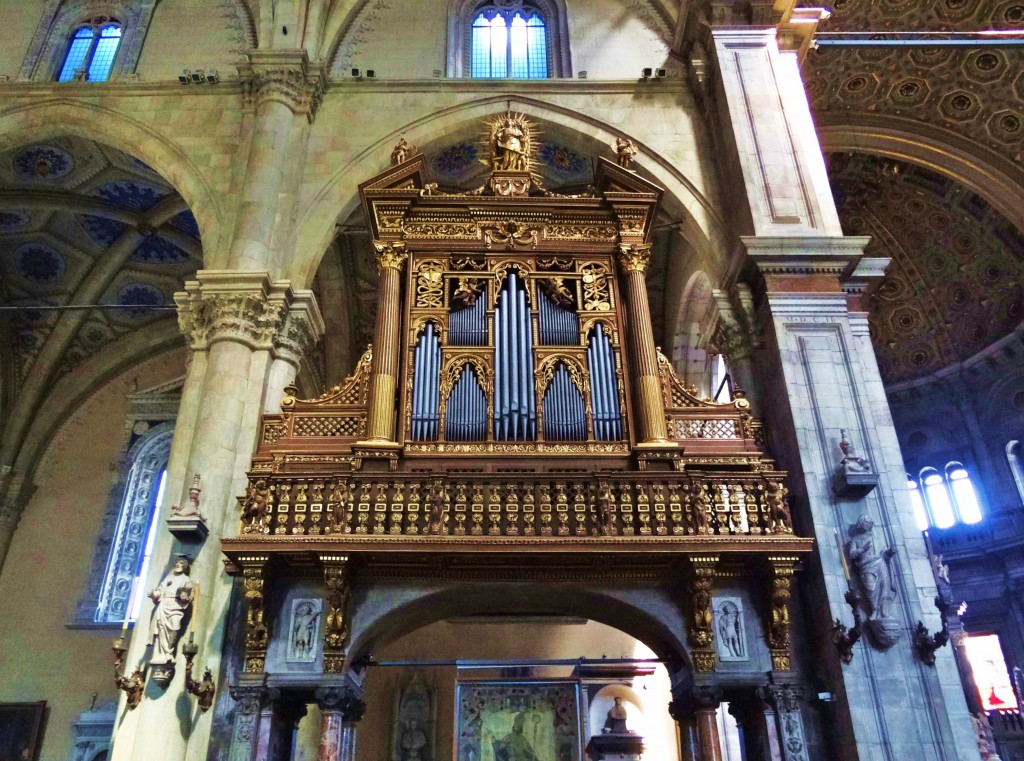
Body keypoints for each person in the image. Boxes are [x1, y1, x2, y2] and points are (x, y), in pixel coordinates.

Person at [847, 515, 897, 620]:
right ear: (860, 524)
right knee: (870, 588)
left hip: (879, 562)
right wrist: (862, 549)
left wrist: (890, 552)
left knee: (884, 586)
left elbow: (883, 551)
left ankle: (884, 611)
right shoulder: (855, 540)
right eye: (865, 522)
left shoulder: (875, 537)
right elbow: (851, 555)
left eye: (869, 523)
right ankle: (874, 609)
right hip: (866, 566)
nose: (868, 525)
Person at [149, 556, 195, 665]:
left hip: (176, 606)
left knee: (175, 627)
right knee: (161, 629)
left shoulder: (186, 580)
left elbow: (190, 594)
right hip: (164, 605)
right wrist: (153, 594)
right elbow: (160, 590)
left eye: (181, 564)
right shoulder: (168, 577)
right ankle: (160, 654)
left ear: (184, 567)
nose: (179, 565)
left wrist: (185, 597)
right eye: (177, 563)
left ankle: (168, 650)